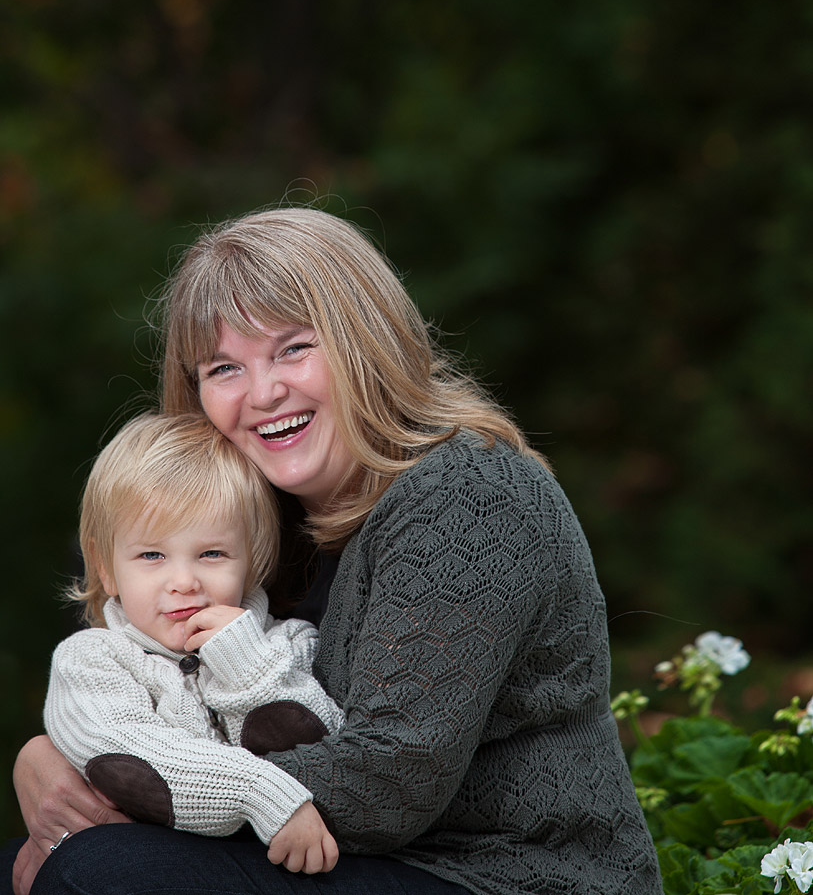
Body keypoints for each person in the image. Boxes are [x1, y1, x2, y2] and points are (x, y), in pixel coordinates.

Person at [9, 204, 663, 895]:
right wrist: (48, 752)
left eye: (292, 348)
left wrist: (128, 783)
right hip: (346, 861)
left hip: (504, 876)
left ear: (364, 341)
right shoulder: (246, 522)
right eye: (224, 368)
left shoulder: (470, 495)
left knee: (102, 873)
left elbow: (385, 785)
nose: (263, 393)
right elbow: (147, 681)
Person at [43, 412, 345, 872]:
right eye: (151, 555)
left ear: (252, 560)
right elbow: (132, 756)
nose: (183, 581)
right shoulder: (91, 660)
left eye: (211, 554)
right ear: (106, 568)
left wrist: (242, 662)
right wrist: (262, 794)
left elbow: (327, 743)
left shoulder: (290, 644)